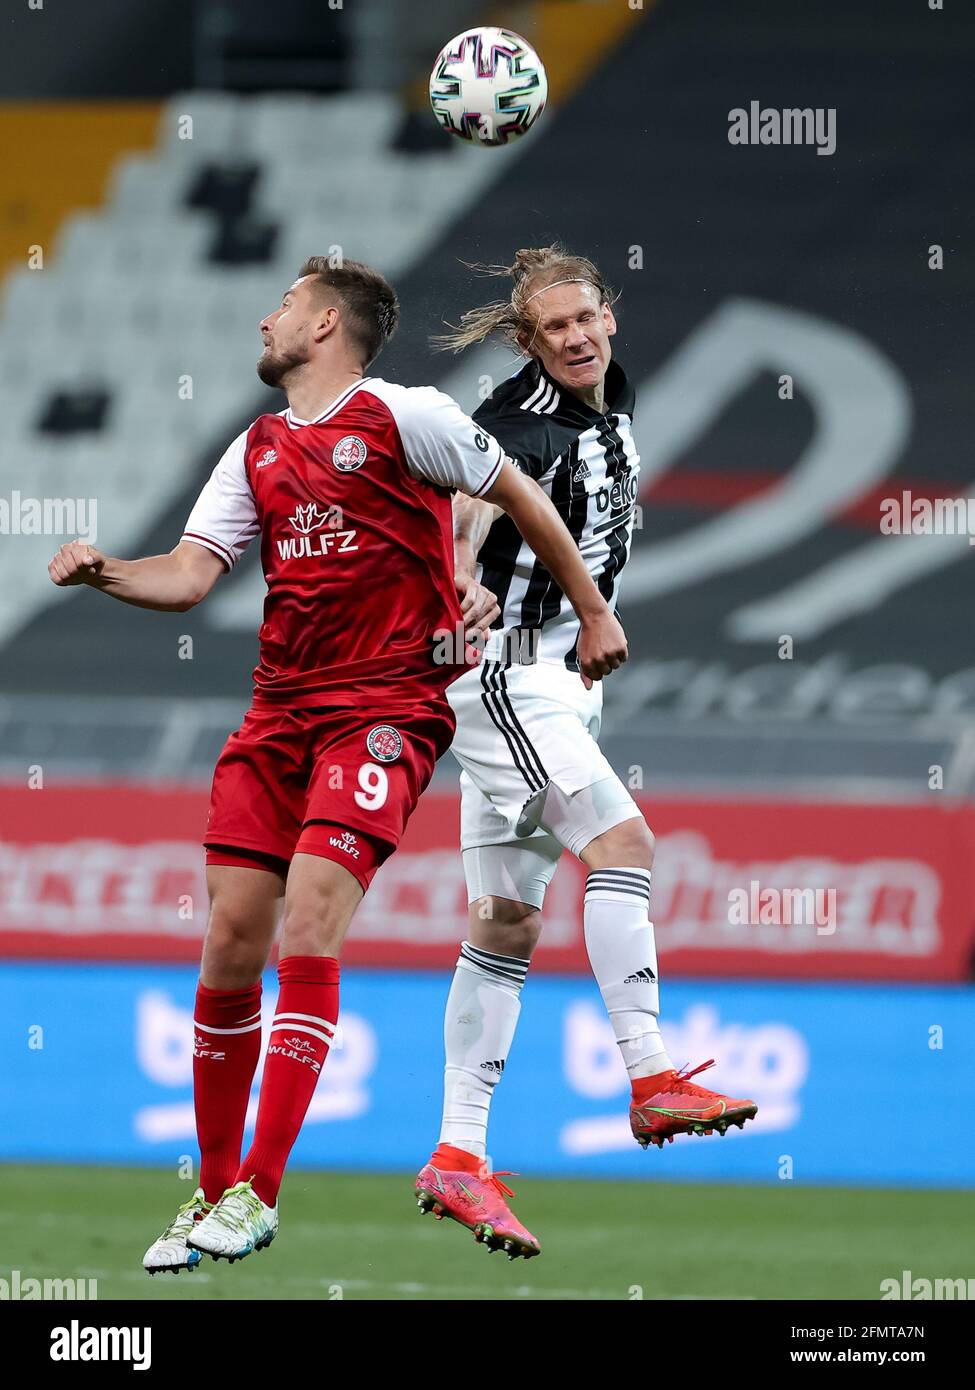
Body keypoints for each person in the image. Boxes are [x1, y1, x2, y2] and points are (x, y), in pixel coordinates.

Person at [47, 256, 629, 1272]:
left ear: (322, 325)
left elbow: (521, 494)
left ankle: (260, 1195)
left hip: (386, 711)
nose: (263, 322)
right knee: (230, 943)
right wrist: (106, 573)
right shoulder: (257, 448)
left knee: (310, 919)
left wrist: (589, 607)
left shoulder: (408, 415)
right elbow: (188, 577)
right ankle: (216, 1191)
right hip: (278, 714)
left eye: (280, 307)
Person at [414, 247, 757, 1260]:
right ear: (526, 343)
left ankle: (458, 1157)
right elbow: (470, 504)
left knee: (507, 921)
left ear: (609, 317)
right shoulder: (520, 424)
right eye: (552, 328)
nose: (573, 338)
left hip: (557, 684)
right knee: (625, 845)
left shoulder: (610, 395)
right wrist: (461, 575)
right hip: (508, 678)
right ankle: (649, 1073)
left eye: (585, 318)